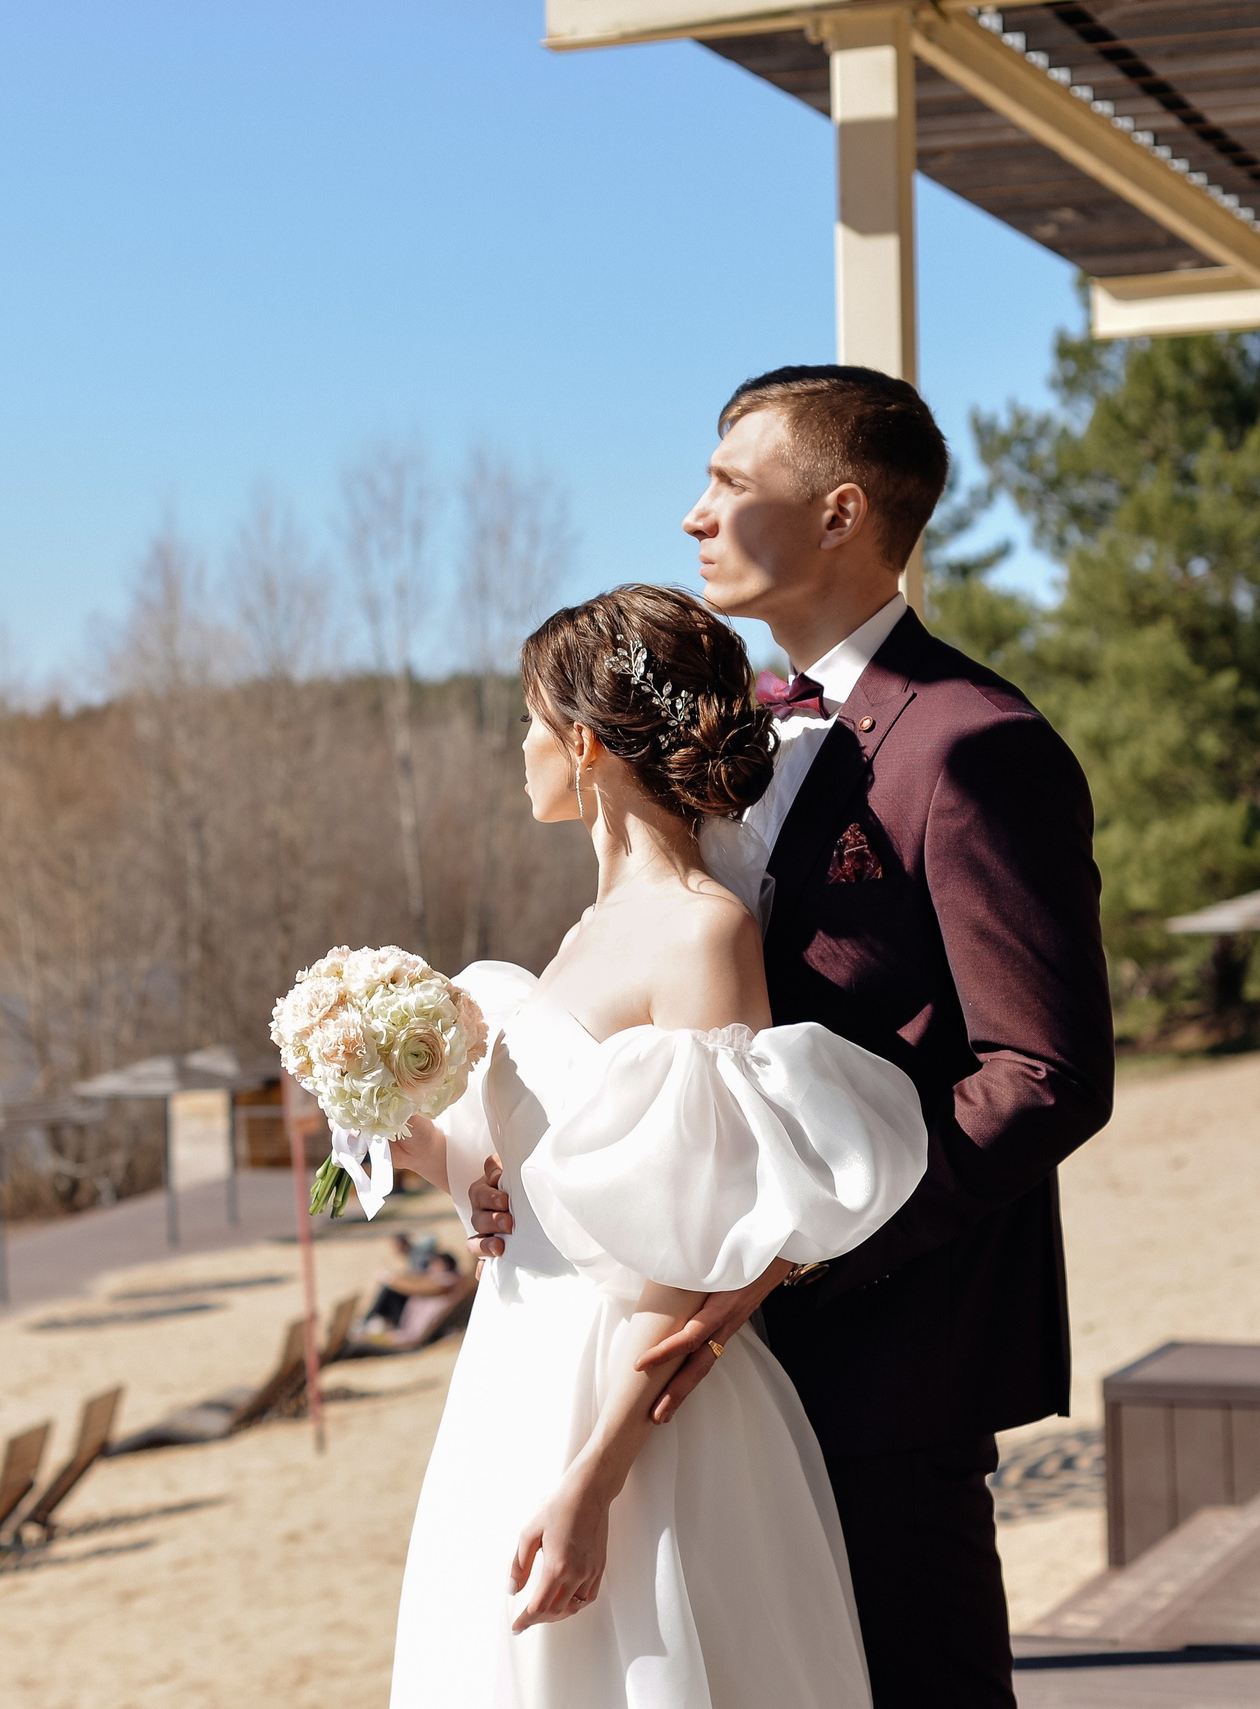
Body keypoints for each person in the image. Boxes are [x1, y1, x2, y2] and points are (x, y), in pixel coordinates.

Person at [465, 367, 1116, 1707]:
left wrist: (797, 1250)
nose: (692, 514)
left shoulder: (974, 747)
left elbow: (1043, 1073)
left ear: (838, 513)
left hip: (889, 1360)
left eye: (727, 482)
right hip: (702, 1383)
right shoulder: (732, 740)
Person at [387, 582, 931, 1707]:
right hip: (510, 1368)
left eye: (531, 722)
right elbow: (543, 1179)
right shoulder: (586, 931)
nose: (519, 747)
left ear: (585, 744)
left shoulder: (702, 931)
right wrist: (404, 1132)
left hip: (626, 1402)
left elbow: (689, 1247)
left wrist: (595, 1479)